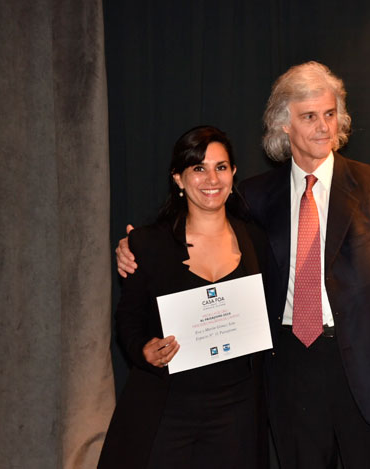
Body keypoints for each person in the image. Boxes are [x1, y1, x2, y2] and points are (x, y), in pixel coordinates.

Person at [116, 62, 370, 469]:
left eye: (330, 114)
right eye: (309, 117)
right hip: (288, 369)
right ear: (285, 125)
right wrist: (132, 246)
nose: (323, 127)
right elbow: (204, 229)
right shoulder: (255, 196)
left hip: (367, 369)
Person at [100, 126, 267, 469]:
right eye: (198, 168)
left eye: (221, 167)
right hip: (168, 407)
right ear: (178, 178)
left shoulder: (256, 241)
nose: (211, 179)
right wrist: (143, 350)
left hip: (237, 408)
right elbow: (127, 319)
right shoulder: (147, 244)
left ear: (234, 174)